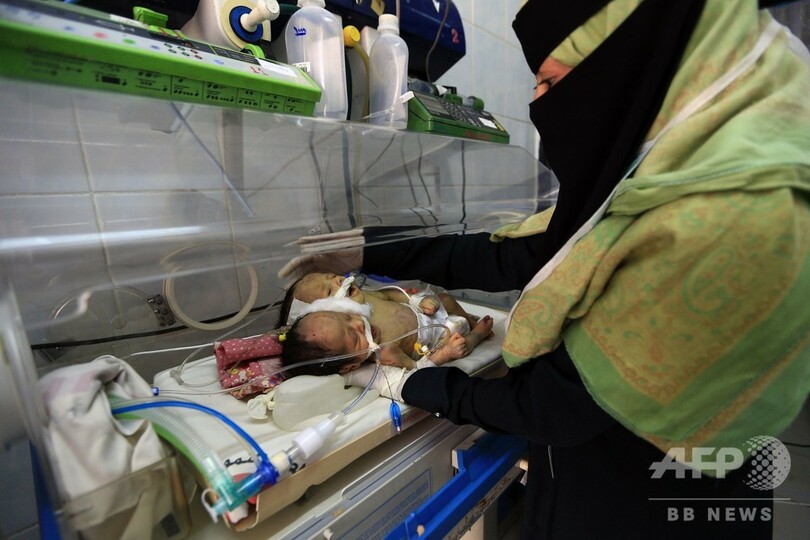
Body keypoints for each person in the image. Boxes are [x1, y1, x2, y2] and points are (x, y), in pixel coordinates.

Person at [280, 0, 810, 538]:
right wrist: (369, 250)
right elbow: (509, 254)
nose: (536, 104)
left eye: (551, 83)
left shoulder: (730, 218)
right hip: (592, 458)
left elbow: (554, 406)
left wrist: (410, 382)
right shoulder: (649, 172)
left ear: (624, 67)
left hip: (653, 492)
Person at [278, 272, 494, 374]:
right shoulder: (368, 342)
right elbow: (414, 368)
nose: (337, 281)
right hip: (433, 338)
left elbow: (392, 294)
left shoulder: (366, 299)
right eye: (328, 290)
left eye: (331, 276)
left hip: (426, 313)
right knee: (456, 341)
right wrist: (443, 355)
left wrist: (417, 301)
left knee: (445, 299)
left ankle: (469, 318)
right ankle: (475, 337)